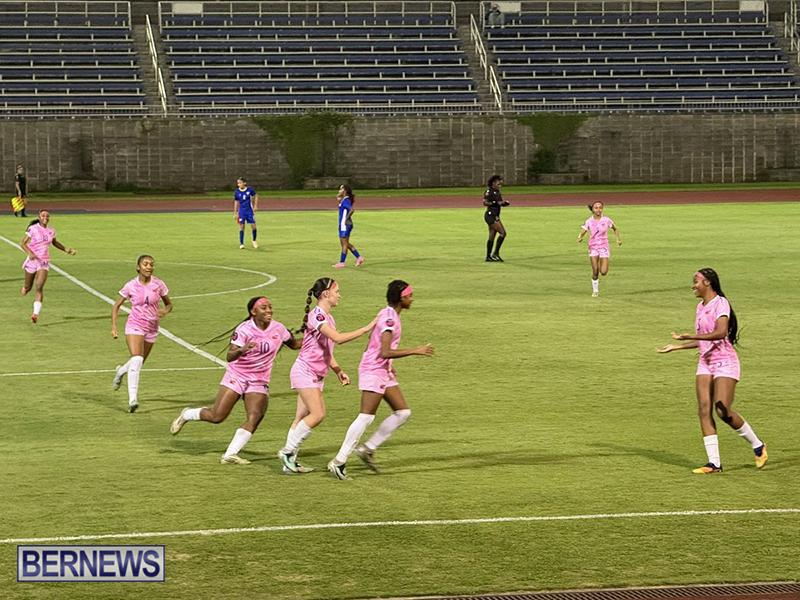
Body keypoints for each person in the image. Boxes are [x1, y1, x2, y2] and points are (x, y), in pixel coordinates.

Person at [657, 268, 768, 474]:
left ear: (707, 282)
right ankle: (714, 463)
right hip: (705, 362)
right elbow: (704, 341)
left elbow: (720, 333)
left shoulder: (720, 303)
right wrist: (677, 347)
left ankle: (758, 445)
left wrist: (692, 336)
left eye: (696, 281)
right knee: (703, 408)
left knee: (722, 410)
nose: (693, 286)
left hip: (725, 361)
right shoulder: (700, 307)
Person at [170, 297, 302, 464]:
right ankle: (187, 414)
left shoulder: (279, 328)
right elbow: (230, 356)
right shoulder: (244, 329)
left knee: (255, 416)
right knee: (217, 416)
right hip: (237, 376)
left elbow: (294, 344)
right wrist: (242, 350)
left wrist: (316, 338)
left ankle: (230, 455)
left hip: (259, 380)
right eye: (263, 308)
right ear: (253, 312)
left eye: (270, 307)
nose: (269, 310)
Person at [328, 280, 434, 480]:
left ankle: (368, 449)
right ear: (401, 298)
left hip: (382, 369)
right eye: (409, 296)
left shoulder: (389, 314)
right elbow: (385, 351)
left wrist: (389, 366)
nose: (412, 299)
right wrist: (416, 350)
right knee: (366, 417)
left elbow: (373, 343)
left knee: (403, 412)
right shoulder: (389, 318)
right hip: (373, 370)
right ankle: (339, 461)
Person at [278, 277, 377, 474]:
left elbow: (326, 349)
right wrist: (367, 328)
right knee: (318, 414)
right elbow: (338, 339)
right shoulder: (317, 316)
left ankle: (289, 464)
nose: (339, 295)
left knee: (300, 418)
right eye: (337, 291)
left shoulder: (328, 319)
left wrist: (338, 370)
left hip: (314, 374)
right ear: (326, 294)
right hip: (305, 371)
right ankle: (287, 452)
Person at [111, 255, 173, 413]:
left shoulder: (158, 284)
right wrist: (114, 327)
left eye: (151, 264)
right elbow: (116, 305)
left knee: (138, 362)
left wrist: (164, 311)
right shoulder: (131, 285)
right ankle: (132, 400)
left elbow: (169, 304)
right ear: (138, 267)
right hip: (135, 326)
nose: (149, 267)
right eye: (145, 264)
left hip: (152, 328)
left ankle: (120, 372)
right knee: (137, 359)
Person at [20, 209, 76, 323]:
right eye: (43, 216)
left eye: (47, 216)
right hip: (32, 260)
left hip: (44, 261)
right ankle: (26, 288)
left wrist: (66, 250)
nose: (45, 218)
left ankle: (35, 314)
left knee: (39, 286)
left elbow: (54, 242)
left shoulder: (51, 231)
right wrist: (30, 253)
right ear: (39, 217)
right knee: (28, 286)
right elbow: (23, 243)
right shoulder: (33, 229)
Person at [577, 201, 621, 297]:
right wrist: (580, 237)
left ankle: (603, 265)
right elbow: (583, 231)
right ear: (593, 209)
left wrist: (618, 239)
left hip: (604, 247)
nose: (598, 210)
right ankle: (595, 291)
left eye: (600, 208)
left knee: (603, 272)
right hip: (593, 247)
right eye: (596, 208)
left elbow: (615, 229)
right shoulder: (589, 221)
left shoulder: (606, 220)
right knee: (595, 270)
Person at [333, 184, 364, 268]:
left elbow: (352, 210)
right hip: (343, 224)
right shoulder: (344, 200)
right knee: (345, 243)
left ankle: (342, 262)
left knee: (344, 243)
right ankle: (359, 257)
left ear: (345, 191)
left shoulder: (346, 200)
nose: (339, 191)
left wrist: (346, 219)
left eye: (341, 189)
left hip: (345, 224)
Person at [483, 175, 509, 262]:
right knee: (503, 233)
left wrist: (504, 204)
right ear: (493, 183)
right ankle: (495, 253)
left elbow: (499, 203)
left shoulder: (497, 192)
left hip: (495, 215)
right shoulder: (488, 192)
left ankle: (488, 256)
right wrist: (495, 203)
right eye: (498, 184)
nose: (500, 186)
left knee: (492, 236)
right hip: (491, 215)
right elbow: (485, 203)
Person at [234, 177, 258, 249]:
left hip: (249, 211)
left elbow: (256, 196)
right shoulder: (237, 191)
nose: (239, 184)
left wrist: (255, 206)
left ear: (244, 183)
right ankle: (241, 243)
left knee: (253, 226)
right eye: (238, 183)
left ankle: (254, 240)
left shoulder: (249, 189)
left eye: (240, 183)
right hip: (242, 211)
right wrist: (236, 212)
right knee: (242, 226)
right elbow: (236, 201)